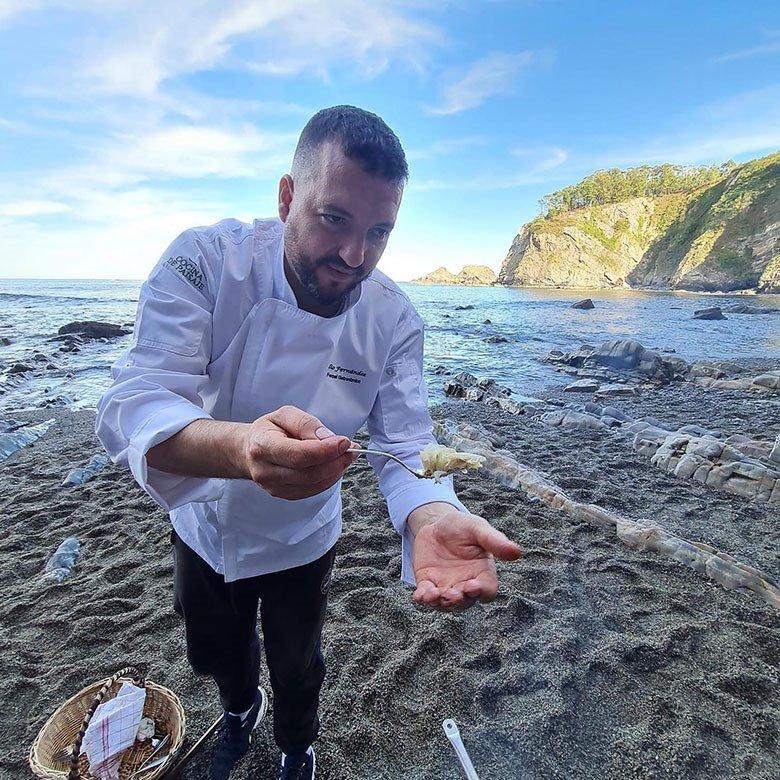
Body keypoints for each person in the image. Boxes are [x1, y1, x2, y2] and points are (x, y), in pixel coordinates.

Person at [96, 105, 522, 779]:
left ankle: (297, 746)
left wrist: (432, 512)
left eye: (380, 232)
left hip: (304, 537)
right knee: (213, 648)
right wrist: (241, 450)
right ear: (287, 196)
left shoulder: (394, 320)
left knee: (299, 660)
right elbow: (135, 402)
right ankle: (239, 711)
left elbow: (408, 441)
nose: (355, 256)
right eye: (335, 220)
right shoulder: (206, 261)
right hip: (203, 521)